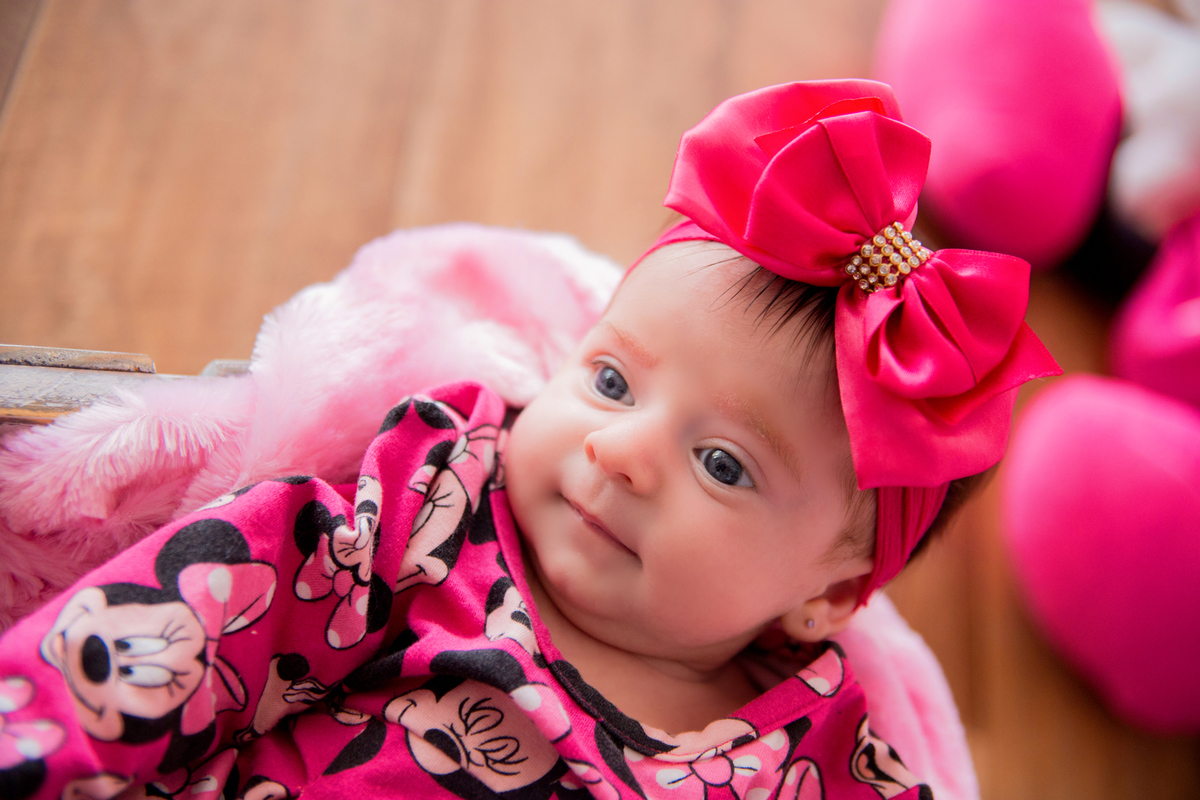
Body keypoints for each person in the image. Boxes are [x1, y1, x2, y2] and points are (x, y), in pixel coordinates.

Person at [0, 79, 1058, 800]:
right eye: (609, 380)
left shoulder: (821, 759)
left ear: (827, 593)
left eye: (724, 463)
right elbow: (198, 625)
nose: (621, 450)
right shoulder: (438, 510)